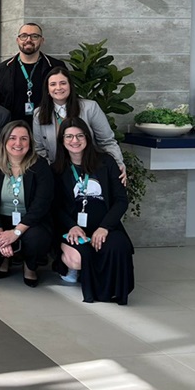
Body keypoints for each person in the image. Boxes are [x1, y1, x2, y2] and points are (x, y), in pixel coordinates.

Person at [53, 118, 134, 304]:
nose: (75, 140)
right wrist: (71, 226)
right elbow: (55, 206)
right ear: (62, 140)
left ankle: (113, 291)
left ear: (87, 138)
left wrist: (105, 227)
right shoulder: (57, 169)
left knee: (118, 246)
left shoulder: (106, 162)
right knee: (79, 258)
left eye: (80, 135)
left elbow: (121, 200)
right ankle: (72, 269)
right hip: (72, 228)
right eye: (69, 136)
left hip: (105, 226)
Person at [0, 121, 54, 287]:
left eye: (24, 138)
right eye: (13, 138)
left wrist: (16, 233)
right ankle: (3, 259)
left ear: (30, 142)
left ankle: (29, 265)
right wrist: (1, 237)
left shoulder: (40, 165)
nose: (18, 143)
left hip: (30, 221)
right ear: (3, 140)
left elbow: (41, 204)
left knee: (37, 241)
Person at [33, 67, 126, 184]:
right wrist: (48, 174)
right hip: (59, 174)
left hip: (91, 170)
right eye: (53, 84)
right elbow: (39, 149)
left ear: (70, 86)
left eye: (63, 83)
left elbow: (107, 141)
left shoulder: (90, 108)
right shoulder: (39, 114)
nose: (58, 87)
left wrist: (118, 165)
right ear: (47, 89)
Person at [0, 22, 66, 122]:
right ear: (17, 40)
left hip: (48, 125)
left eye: (34, 36)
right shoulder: (1, 70)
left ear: (42, 40)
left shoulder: (56, 66)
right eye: (24, 36)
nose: (28, 40)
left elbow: (68, 97)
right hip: (12, 127)